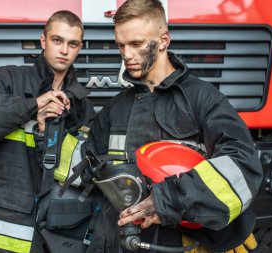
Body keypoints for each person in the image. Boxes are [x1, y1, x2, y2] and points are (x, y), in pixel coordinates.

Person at [89, 0, 263, 252]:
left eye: (136, 44)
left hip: (191, 244)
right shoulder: (114, 109)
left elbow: (242, 166)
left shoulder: (203, 99)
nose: (126, 55)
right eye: (121, 45)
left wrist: (165, 201)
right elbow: (91, 168)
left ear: (163, 40)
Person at [0, 10, 95, 253]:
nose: (64, 50)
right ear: (43, 41)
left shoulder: (81, 105)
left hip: (53, 236)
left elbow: (84, 169)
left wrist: (48, 136)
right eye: (57, 40)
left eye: (72, 44)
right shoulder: (6, 79)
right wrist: (31, 105)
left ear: (80, 47)